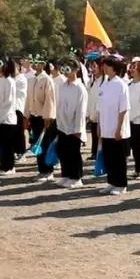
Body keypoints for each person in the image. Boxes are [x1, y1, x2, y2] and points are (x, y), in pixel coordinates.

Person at [97, 57, 130, 196]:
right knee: (109, 157)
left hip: (117, 128)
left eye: (107, 66)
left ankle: (121, 184)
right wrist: (99, 125)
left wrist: (119, 128)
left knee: (118, 159)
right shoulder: (104, 84)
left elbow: (123, 108)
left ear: (114, 68)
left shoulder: (121, 84)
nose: (104, 68)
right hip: (105, 127)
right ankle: (112, 182)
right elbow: (100, 108)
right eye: (104, 65)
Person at [55, 61, 88, 189]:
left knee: (73, 152)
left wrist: (78, 128)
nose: (66, 72)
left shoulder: (80, 88)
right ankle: (66, 175)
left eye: (68, 69)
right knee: (63, 151)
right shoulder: (63, 86)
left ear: (75, 70)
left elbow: (81, 110)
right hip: (63, 124)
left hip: (74, 126)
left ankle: (76, 177)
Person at [0, 59, 19, 175]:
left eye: (0, 64)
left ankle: (9, 167)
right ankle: (3, 166)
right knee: (2, 144)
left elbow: (8, 102)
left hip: (7, 119)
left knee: (7, 145)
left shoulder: (9, 81)